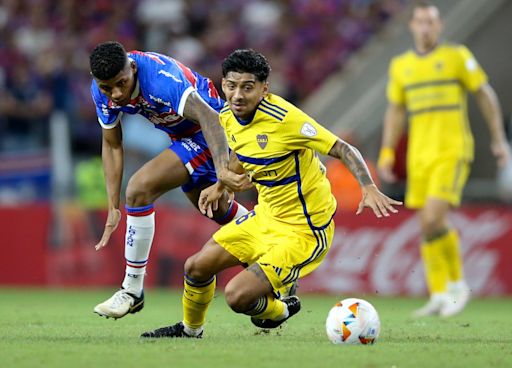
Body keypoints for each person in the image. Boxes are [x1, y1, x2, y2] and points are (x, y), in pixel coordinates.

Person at [140, 48, 401, 338]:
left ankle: (281, 309)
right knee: (196, 267)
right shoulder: (226, 115)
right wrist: (221, 185)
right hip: (264, 218)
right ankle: (191, 331)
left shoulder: (285, 119)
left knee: (237, 297)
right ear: (223, 84)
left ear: (265, 89)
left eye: (247, 87)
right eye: (231, 86)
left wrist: (368, 186)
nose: (237, 95)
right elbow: (241, 151)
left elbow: (343, 147)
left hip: (304, 231)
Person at [89, 41, 252, 319]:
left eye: (121, 83)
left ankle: (131, 289)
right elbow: (112, 145)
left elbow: (210, 118)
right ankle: (272, 257)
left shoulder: (162, 80)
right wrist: (112, 205)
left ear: (132, 67)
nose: (115, 94)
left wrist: (223, 171)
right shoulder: (102, 90)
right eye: (107, 87)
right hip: (185, 137)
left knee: (139, 188)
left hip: (213, 131)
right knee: (215, 208)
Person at [377, 3, 510, 318]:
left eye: (432, 22)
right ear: (411, 26)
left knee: (432, 219)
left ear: (440, 26)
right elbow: (395, 111)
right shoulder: (401, 65)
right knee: (427, 225)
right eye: (421, 21)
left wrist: (498, 138)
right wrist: (386, 151)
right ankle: (439, 293)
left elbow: (484, 94)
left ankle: (457, 286)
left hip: (452, 151)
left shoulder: (456, 56)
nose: (426, 27)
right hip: (419, 157)